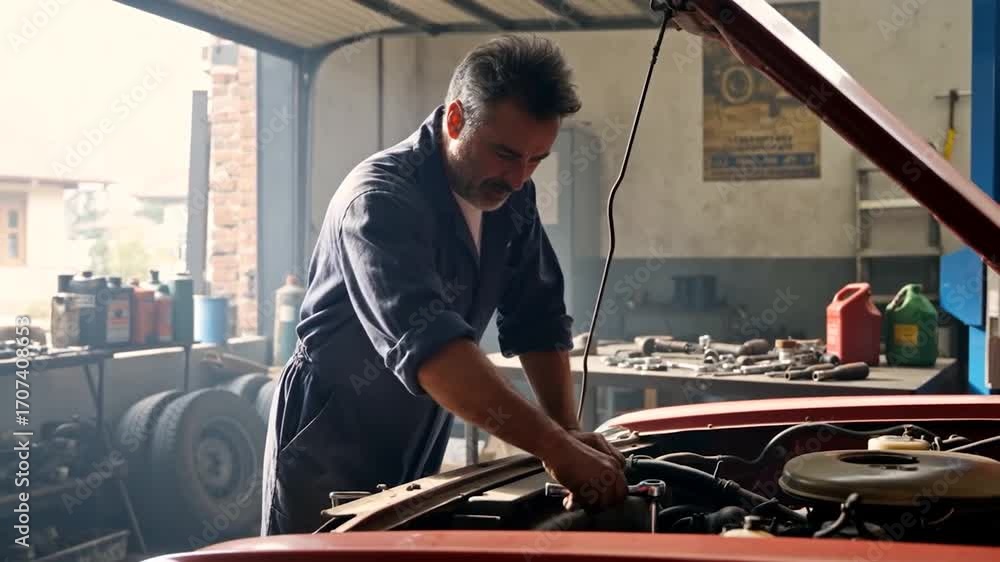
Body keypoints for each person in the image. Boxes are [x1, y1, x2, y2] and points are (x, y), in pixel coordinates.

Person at [261, 34, 628, 536]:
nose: (519, 178)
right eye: (505, 154)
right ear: (455, 119)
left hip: (420, 420)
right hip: (332, 432)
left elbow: (537, 317)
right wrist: (554, 448)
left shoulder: (512, 196)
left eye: (536, 159)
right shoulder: (379, 202)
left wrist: (567, 428)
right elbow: (433, 352)